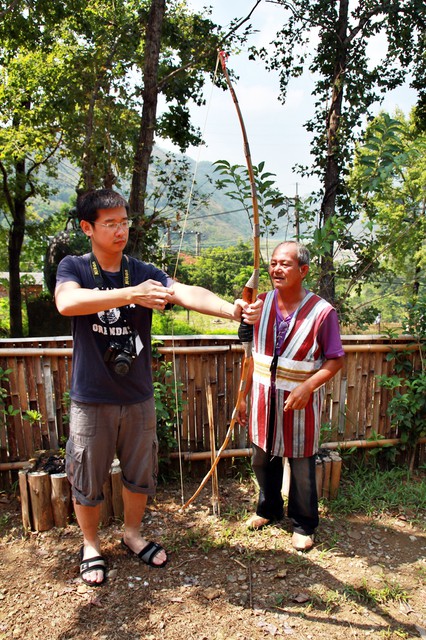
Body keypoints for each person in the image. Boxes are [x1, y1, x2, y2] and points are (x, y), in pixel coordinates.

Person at [55, 188, 262, 586]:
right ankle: (91, 545)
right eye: (110, 223)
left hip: (138, 395)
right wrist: (131, 294)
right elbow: (67, 302)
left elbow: (185, 292)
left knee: (140, 474)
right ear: (87, 228)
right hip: (91, 397)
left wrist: (230, 309)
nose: (120, 231)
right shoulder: (75, 267)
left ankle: (132, 535)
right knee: (86, 475)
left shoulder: (141, 269)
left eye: (124, 222)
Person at [238, 241, 344, 551]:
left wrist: (308, 386)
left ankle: (303, 523)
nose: (276, 269)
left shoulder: (322, 312)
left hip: (300, 400)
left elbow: (335, 360)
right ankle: (269, 509)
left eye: (285, 264)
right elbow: (249, 354)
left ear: (303, 270)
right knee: (261, 457)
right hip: (262, 397)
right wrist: (242, 396)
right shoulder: (259, 303)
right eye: (273, 263)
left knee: (300, 463)